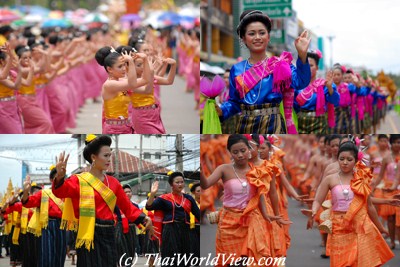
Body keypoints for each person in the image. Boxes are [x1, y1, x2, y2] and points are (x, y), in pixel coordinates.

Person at [52, 135, 154, 267]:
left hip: (109, 233)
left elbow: (127, 207)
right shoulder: (78, 180)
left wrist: (144, 218)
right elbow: (59, 192)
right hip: (87, 233)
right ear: (93, 157)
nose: (109, 159)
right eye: (105, 156)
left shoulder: (113, 183)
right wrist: (60, 177)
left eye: (110, 156)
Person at [215, 10, 311, 134]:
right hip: (244, 125)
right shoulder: (237, 69)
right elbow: (234, 102)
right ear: (244, 38)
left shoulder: (280, 64)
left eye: (262, 33)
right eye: (251, 33)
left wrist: (302, 56)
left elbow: (301, 82)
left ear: (268, 37)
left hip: (273, 124)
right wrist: (221, 110)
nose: (257, 37)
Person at [201, 134, 288, 266]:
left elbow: (260, 196)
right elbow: (206, 184)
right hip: (228, 223)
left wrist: (268, 215)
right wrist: (200, 171)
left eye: (243, 150)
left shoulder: (257, 171)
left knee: (249, 260)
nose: (240, 155)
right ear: (229, 153)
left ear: (249, 150)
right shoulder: (224, 169)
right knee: (231, 262)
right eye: (235, 152)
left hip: (251, 221)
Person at [310, 141, 394, 266]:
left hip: (359, 225)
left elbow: (369, 205)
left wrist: (381, 227)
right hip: (339, 226)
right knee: (341, 262)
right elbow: (318, 199)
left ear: (356, 161)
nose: (345, 162)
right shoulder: (330, 179)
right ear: (337, 159)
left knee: (358, 261)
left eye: (349, 159)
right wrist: (313, 211)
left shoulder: (361, 179)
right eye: (341, 158)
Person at [146, 172, 200, 267]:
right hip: (170, 229)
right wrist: (152, 194)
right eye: (177, 182)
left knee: (184, 257)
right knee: (170, 256)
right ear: (171, 184)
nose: (180, 184)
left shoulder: (189, 198)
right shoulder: (164, 198)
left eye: (182, 182)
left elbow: (198, 214)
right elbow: (149, 207)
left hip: (185, 230)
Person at [95, 46, 150, 134]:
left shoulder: (121, 81)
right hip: (114, 129)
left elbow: (145, 80)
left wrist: (145, 59)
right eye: (120, 66)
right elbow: (132, 83)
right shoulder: (109, 85)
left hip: (127, 126)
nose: (124, 68)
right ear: (109, 69)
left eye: (124, 64)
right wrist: (131, 62)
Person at [21, 168, 66, 267]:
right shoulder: (44, 193)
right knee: (46, 255)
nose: (59, 180)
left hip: (62, 226)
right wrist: (26, 191)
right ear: (51, 180)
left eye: (62, 177)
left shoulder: (66, 194)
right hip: (47, 226)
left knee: (60, 256)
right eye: (56, 177)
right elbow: (27, 202)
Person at [294, 51, 339, 133]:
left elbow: (335, 101)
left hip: (319, 123)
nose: (308, 68)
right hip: (300, 122)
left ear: (317, 67)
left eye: (311, 65)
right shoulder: (297, 85)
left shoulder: (324, 85)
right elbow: (294, 106)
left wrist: (329, 87)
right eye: (306, 65)